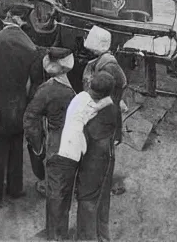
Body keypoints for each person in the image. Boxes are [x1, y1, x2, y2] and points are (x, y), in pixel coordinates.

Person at [0, 4, 41, 209]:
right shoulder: (31, 47)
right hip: (19, 107)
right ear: (22, 21)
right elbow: (36, 82)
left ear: (8, 16)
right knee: (16, 149)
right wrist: (28, 105)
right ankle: (15, 188)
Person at [47, 72, 114, 241]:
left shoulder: (81, 97)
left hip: (66, 151)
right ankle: (85, 237)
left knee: (60, 195)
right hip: (73, 154)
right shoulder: (101, 108)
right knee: (86, 197)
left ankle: (57, 235)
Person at [23, 47, 77, 199]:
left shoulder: (46, 90)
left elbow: (30, 118)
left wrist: (37, 144)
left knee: (54, 164)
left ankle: (53, 190)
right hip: (73, 130)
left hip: (56, 133)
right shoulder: (72, 83)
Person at [76, 73, 120, 241]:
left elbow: (81, 141)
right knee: (103, 196)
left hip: (92, 160)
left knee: (87, 197)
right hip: (108, 157)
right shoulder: (113, 106)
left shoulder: (89, 110)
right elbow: (118, 138)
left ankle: (87, 238)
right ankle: (102, 235)